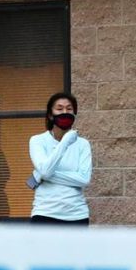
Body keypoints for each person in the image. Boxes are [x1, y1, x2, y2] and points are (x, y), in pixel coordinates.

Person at [28, 92, 92, 224]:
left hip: (77, 215)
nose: (65, 112)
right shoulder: (38, 141)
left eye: (69, 109)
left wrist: (40, 175)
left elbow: (84, 179)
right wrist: (65, 142)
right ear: (51, 115)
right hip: (45, 213)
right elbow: (46, 171)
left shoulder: (83, 144)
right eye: (59, 108)